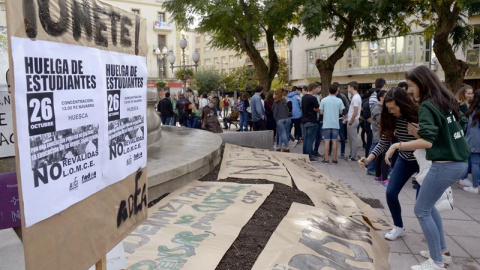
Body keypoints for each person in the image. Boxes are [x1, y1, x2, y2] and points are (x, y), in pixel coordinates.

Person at [393, 65, 470, 270]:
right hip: (459, 162)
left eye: (411, 86)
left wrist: (397, 144)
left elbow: (427, 141)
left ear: (421, 83)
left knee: (421, 209)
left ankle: (436, 262)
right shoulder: (445, 100)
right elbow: (460, 122)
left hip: (445, 165)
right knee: (429, 207)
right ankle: (441, 253)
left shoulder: (428, 105)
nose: (409, 91)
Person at [358, 88, 419, 241]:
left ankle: (437, 247)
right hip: (405, 159)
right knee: (391, 193)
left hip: (423, 161)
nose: (391, 111)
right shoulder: (391, 118)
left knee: (422, 206)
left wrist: (414, 133)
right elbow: (384, 141)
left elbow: (428, 140)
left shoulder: (418, 115)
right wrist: (368, 159)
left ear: (403, 104)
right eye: (388, 108)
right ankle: (398, 226)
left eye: (393, 108)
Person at [320, 84, 345, 164]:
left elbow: (321, 112)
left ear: (328, 90)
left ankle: (326, 158)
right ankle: (334, 159)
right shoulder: (339, 100)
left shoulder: (324, 100)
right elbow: (341, 111)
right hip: (335, 123)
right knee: (335, 141)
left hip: (326, 123)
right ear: (336, 91)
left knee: (326, 141)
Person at [462, 88, 480, 194]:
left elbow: (470, 130)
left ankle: (474, 186)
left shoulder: (473, 112)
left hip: (474, 141)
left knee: (475, 163)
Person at [456, 84, 474, 186]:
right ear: (463, 93)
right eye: (468, 93)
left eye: (471, 93)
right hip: (462, 133)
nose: (470, 95)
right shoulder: (461, 106)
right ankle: (463, 177)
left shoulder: (471, 105)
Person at [371, 90, 389, 183]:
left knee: (380, 156)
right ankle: (383, 177)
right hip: (380, 135)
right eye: (386, 95)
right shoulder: (377, 108)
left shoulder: (383, 107)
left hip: (382, 135)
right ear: (381, 98)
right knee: (383, 156)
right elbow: (380, 122)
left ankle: (378, 176)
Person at [302, 83, 320, 161]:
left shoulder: (303, 97)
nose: (317, 90)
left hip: (305, 120)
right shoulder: (313, 98)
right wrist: (316, 110)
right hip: (312, 120)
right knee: (310, 139)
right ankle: (309, 155)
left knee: (306, 139)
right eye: (316, 88)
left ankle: (305, 154)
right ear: (313, 89)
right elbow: (318, 109)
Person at [346, 81, 362, 161]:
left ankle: (353, 156)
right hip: (352, 120)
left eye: (348, 87)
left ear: (352, 88)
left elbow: (355, 111)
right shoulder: (356, 97)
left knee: (353, 139)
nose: (348, 89)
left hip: (353, 121)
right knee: (351, 139)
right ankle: (351, 154)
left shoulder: (356, 98)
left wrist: (350, 121)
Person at [273, 88, 291, 152]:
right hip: (286, 118)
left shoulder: (276, 101)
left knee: (282, 133)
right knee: (283, 133)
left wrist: (275, 118)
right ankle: (279, 146)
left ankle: (287, 147)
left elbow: (274, 111)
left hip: (279, 119)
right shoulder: (285, 100)